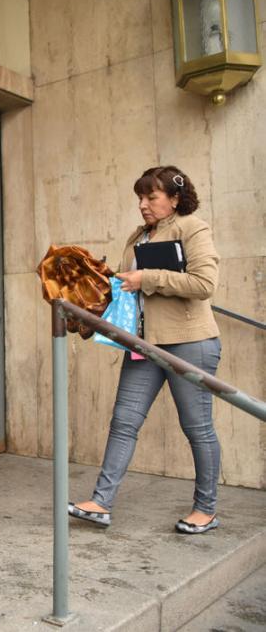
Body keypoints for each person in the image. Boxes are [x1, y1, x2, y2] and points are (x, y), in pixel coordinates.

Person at [69, 166, 223, 535]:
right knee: (124, 421)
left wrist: (146, 279)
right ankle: (101, 502)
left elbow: (204, 283)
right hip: (144, 343)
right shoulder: (138, 235)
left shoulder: (192, 228)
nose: (143, 205)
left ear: (174, 198)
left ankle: (206, 509)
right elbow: (127, 290)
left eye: (151, 197)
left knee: (197, 427)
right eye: (140, 197)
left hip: (190, 342)